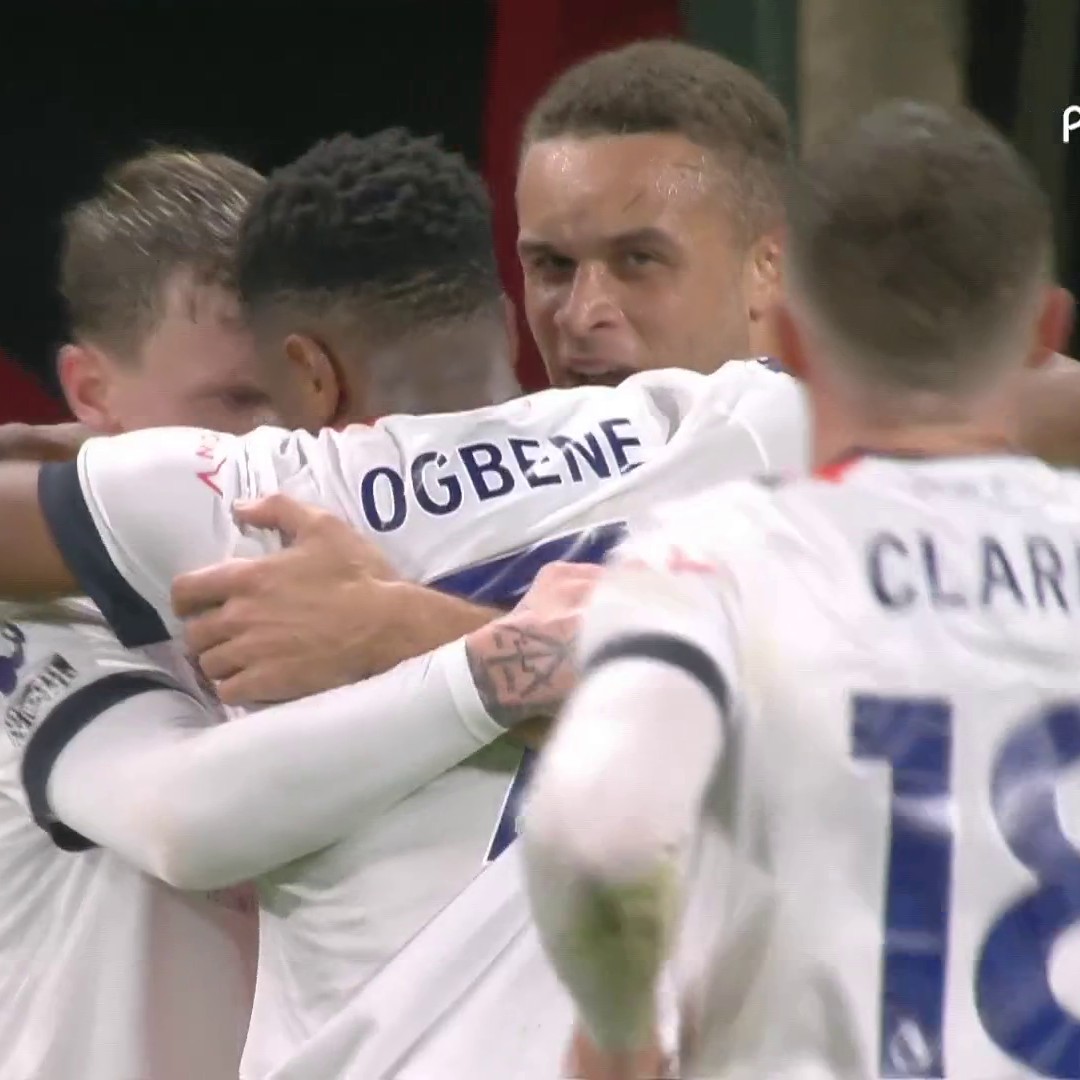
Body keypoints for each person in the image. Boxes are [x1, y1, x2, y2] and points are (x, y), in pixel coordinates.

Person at [522, 101, 1080, 1079]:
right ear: (1046, 330)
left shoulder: (712, 558)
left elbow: (597, 829)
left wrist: (618, 1037)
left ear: (792, 336)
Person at [0, 146, 272, 1080]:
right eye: (236, 402)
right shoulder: (29, 607)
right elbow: (189, 820)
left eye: (309, 387)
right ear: (91, 393)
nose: (283, 444)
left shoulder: (339, 573)